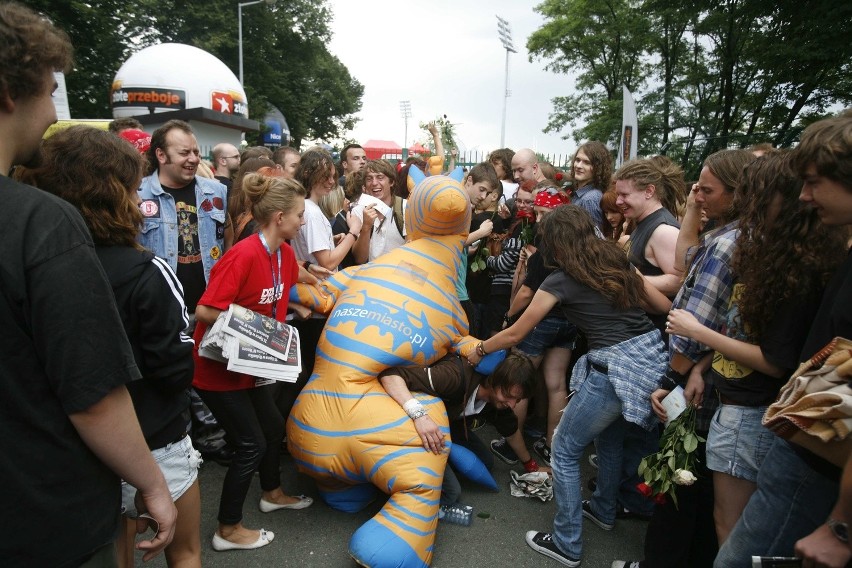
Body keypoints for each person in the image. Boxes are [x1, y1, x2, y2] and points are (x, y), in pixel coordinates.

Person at [0, 4, 176, 565]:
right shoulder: (39, 222)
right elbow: (91, 393)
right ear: (9, 92)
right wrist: (151, 483)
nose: (54, 109)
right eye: (50, 90)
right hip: (42, 516)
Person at [33, 125, 203, 567]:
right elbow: (175, 369)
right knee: (184, 552)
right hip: (156, 440)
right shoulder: (148, 271)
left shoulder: (38, 264)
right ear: (117, 195)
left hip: (71, 447)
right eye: (133, 190)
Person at [465, 205, 671, 567]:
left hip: (613, 371)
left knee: (564, 448)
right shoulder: (616, 261)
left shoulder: (559, 279)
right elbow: (663, 304)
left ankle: (567, 543)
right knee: (609, 439)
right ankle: (604, 509)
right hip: (649, 361)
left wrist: (480, 348)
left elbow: (516, 331)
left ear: (555, 245)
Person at [665, 150, 845, 546]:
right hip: (738, 402)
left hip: (751, 411)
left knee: (733, 531)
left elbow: (774, 360)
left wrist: (698, 335)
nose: (748, 203)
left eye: (754, 193)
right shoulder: (778, 260)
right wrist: (701, 366)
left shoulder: (796, 273)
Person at [713, 111, 852, 568]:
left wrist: (841, 524)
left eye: (813, 182)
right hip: (804, 447)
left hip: (817, 463)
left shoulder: (808, 263)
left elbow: (779, 358)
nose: (805, 195)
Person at [612, 149, 756, 568]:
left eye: (707, 190)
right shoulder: (725, 236)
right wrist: (694, 206)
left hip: (696, 382)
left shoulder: (728, 243)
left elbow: (696, 311)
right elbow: (688, 261)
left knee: (683, 482)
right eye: (695, 188)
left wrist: (675, 377)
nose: (698, 194)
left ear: (738, 192)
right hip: (699, 370)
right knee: (688, 486)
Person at [192, 173, 317, 551]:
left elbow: (289, 279)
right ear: (279, 217)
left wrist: (302, 297)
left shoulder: (285, 251)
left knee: (272, 427)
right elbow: (205, 310)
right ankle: (227, 530)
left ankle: (272, 494)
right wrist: (258, 328)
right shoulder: (243, 253)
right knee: (251, 443)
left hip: (255, 365)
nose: (303, 221)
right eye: (299, 215)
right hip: (217, 370)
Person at [378, 353, 536, 507]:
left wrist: (531, 466)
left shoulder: (499, 402)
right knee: (452, 493)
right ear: (495, 380)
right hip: (414, 425)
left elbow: (511, 432)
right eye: (508, 396)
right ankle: (402, 486)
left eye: (518, 400)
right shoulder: (453, 377)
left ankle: (437, 467)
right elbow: (391, 375)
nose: (512, 405)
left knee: (485, 462)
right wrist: (420, 416)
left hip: (448, 425)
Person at [497, 187, 573, 470]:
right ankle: (553, 445)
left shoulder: (546, 252)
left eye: (545, 213)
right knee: (556, 385)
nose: (539, 220)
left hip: (540, 322)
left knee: (519, 381)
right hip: (568, 324)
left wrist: (509, 315)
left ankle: (511, 443)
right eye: (537, 213)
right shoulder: (576, 250)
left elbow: (528, 292)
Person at [614, 158, 685, 297]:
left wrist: (624, 280)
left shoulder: (663, 231)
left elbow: (679, 281)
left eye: (624, 195)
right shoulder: (644, 222)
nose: (618, 201)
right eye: (618, 195)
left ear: (649, 191)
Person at [353, 158, 406, 263]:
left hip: (398, 276)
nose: (374, 183)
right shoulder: (358, 211)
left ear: (391, 182)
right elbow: (359, 259)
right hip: (370, 276)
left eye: (380, 177)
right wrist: (366, 227)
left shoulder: (405, 208)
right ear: (364, 185)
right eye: (369, 179)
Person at [570, 141, 612, 228]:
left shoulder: (590, 199)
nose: (578, 166)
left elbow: (594, 238)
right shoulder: (580, 194)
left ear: (599, 167)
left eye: (587, 162)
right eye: (577, 160)